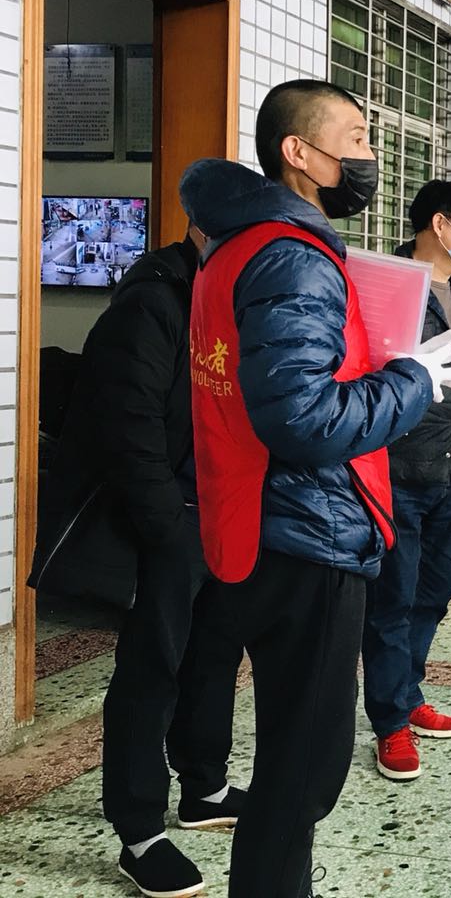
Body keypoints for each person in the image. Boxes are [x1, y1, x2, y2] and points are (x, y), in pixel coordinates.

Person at [180, 79, 451, 898]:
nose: (371, 155)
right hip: (309, 533)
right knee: (303, 766)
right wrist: (410, 379)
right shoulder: (293, 257)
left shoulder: (237, 245)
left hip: (256, 516)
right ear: (299, 153)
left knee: (293, 753)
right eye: (357, 138)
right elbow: (305, 419)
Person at [33, 223, 245, 898]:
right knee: (151, 671)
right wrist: (166, 526)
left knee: (214, 657)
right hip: (170, 523)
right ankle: (140, 831)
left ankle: (204, 788)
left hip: (224, 516)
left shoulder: (237, 294)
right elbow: (127, 424)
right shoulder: (154, 298)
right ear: (202, 223)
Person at [363, 180, 451, 781]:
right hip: (402, 466)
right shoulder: (392, 287)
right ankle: (390, 720)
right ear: (439, 225)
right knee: (393, 597)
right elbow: (370, 372)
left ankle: (408, 691)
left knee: (436, 591)